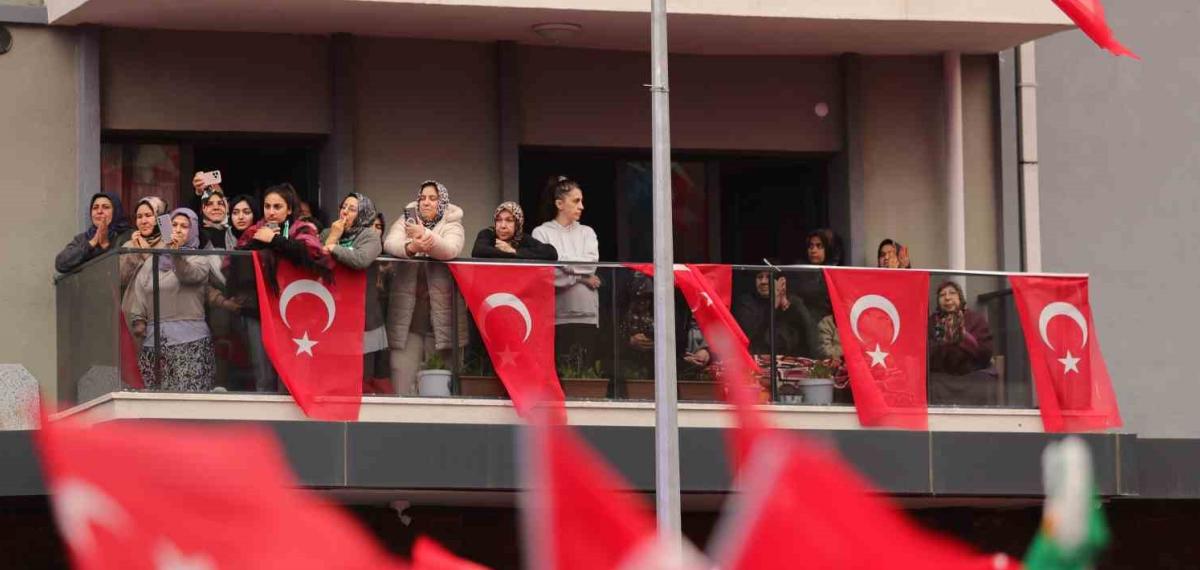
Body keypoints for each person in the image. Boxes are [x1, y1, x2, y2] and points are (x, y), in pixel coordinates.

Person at [232, 183, 333, 392]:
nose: (271, 212)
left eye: (277, 207)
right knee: (263, 376)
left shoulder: (303, 228)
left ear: (289, 209)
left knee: (289, 375)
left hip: (293, 313)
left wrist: (276, 240)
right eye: (267, 206)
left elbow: (312, 256)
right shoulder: (254, 231)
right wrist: (260, 242)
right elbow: (233, 267)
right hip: (257, 311)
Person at [382, 180, 468, 395]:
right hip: (407, 323)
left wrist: (423, 235)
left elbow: (450, 249)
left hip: (441, 324)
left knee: (438, 387)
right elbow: (390, 243)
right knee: (401, 376)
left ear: (442, 202)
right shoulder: (407, 219)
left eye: (432, 198)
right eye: (422, 198)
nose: (426, 202)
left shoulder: (452, 223)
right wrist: (411, 247)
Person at [125, 208, 216, 392]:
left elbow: (188, 274)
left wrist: (176, 254)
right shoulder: (153, 261)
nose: (178, 229)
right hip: (154, 344)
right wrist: (138, 318)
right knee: (156, 407)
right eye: (174, 225)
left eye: (185, 226)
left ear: (194, 231)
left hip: (191, 343)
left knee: (188, 405)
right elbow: (140, 291)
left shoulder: (200, 258)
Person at [531, 177, 601, 371]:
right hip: (556, 315)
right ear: (559, 204)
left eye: (582, 201)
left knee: (584, 372)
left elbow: (590, 265)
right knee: (559, 370)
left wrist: (561, 261)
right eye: (576, 201)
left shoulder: (587, 232)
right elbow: (548, 275)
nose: (582, 207)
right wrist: (581, 278)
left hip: (586, 313)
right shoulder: (541, 233)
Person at [321, 193, 388, 385]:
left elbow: (361, 260)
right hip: (332, 314)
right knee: (332, 372)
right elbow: (317, 260)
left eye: (352, 209)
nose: (345, 212)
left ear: (363, 214)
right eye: (344, 206)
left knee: (360, 376)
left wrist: (333, 248)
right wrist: (333, 237)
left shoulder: (370, 237)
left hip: (363, 318)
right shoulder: (328, 233)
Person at [619, 271, 708, 379]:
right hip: (636, 367)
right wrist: (629, 340)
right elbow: (610, 327)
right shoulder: (631, 291)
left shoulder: (681, 298)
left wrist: (705, 351)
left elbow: (697, 326)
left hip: (678, 368)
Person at [928, 280, 996, 406]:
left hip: (971, 375)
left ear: (960, 298)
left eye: (952, 293)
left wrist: (964, 337)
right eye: (942, 295)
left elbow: (986, 351)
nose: (947, 298)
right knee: (932, 381)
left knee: (982, 380)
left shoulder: (976, 319)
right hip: (942, 376)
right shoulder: (932, 322)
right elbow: (925, 352)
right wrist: (943, 343)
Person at [733, 270, 818, 357]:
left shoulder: (794, 302)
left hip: (792, 360)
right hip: (759, 357)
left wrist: (785, 304)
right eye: (759, 277)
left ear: (780, 282)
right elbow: (752, 337)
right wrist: (774, 306)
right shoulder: (747, 302)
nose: (763, 282)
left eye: (768, 277)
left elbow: (808, 333)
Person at [55, 192, 133, 273]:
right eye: (95, 208)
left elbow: (123, 270)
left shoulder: (128, 236)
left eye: (106, 207)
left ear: (116, 211)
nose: (99, 211)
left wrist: (105, 245)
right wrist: (91, 243)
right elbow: (61, 264)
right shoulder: (83, 238)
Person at [471, 201, 558, 260]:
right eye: (499, 220)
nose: (503, 226)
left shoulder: (523, 238)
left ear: (517, 224)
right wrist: (512, 255)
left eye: (509, 220)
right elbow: (479, 251)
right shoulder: (488, 234)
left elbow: (551, 253)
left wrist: (513, 251)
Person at [790, 228, 841, 322]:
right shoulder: (799, 272)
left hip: (828, 325)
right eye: (811, 246)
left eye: (819, 246)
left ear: (827, 249)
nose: (813, 250)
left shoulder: (835, 273)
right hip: (803, 323)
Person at [118, 196, 169, 288]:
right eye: (139, 217)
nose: (143, 221)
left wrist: (146, 252)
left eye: (148, 215)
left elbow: (166, 278)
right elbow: (122, 280)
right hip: (135, 300)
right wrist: (135, 251)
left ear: (159, 217)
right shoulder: (128, 245)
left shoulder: (168, 244)